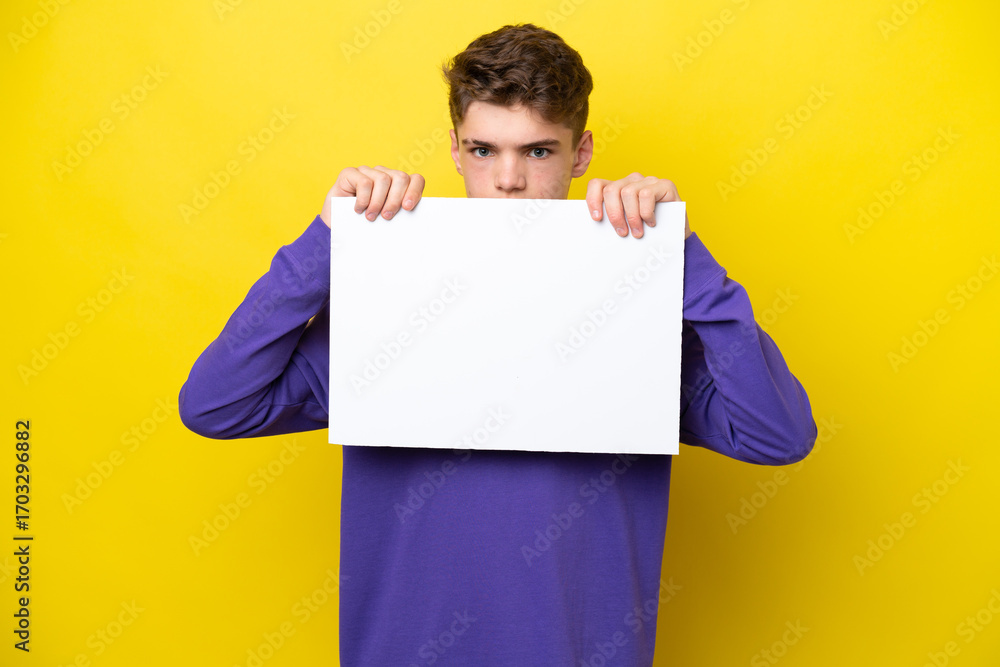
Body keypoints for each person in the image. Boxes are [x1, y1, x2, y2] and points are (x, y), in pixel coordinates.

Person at [179, 23, 817, 666]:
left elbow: (779, 436)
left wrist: (681, 255)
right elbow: (215, 406)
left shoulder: (638, 311)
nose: (508, 179)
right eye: (484, 150)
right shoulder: (386, 309)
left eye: (538, 151)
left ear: (581, 153)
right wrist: (327, 238)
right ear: (455, 151)